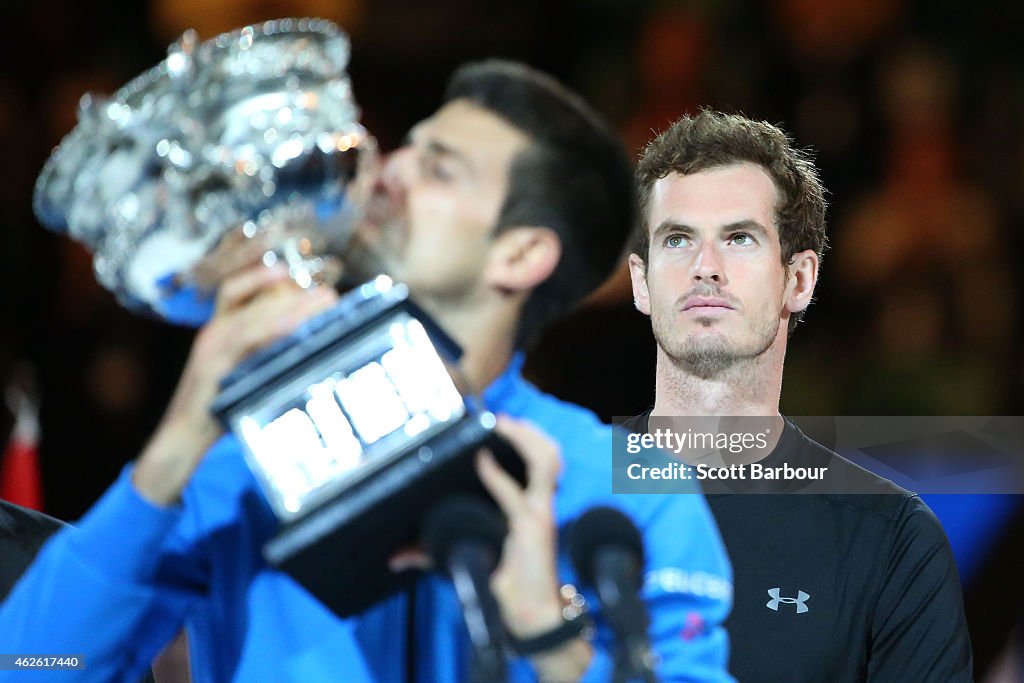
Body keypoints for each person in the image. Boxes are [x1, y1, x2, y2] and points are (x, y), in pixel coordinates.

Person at [1, 61, 733, 682]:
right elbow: (32, 662)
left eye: (439, 168)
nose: (386, 173)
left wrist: (550, 639)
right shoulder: (245, 469)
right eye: (405, 150)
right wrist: (180, 437)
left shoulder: (624, 489)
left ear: (520, 254)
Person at [621, 110, 973, 681]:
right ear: (641, 281)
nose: (705, 268)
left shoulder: (890, 540)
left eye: (739, 238)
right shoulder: (552, 494)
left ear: (800, 279)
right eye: (678, 239)